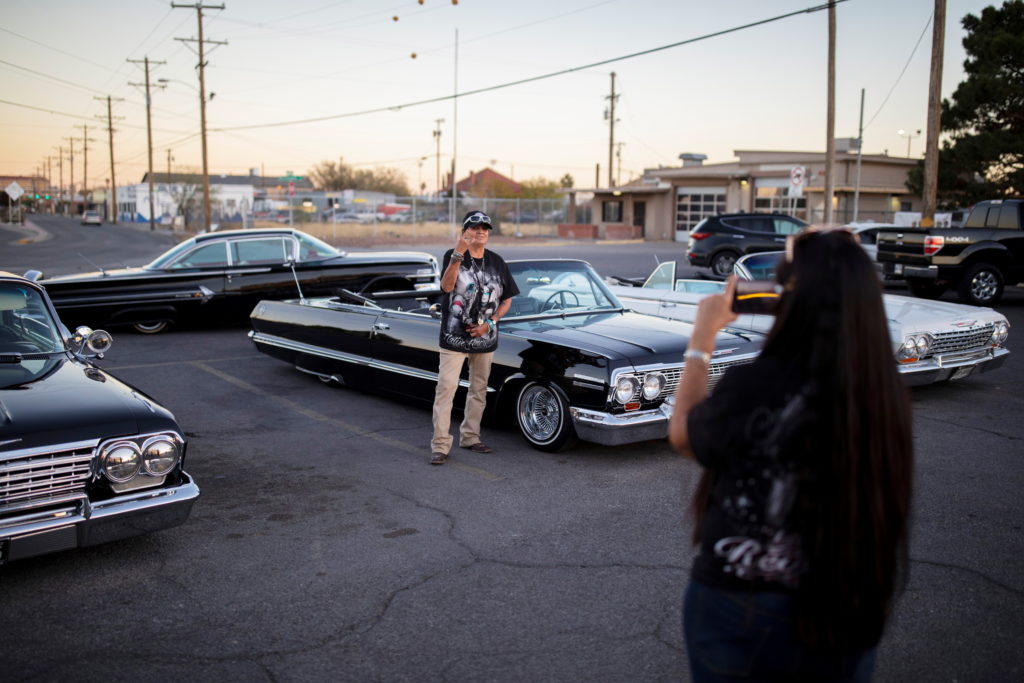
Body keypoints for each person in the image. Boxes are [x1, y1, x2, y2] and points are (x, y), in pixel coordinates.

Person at [668, 229, 914, 682]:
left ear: (788, 300)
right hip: (847, 601)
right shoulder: (884, 394)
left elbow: (684, 434)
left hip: (738, 602)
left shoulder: (757, 383)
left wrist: (702, 338)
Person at [430, 210, 519, 465]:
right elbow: (447, 288)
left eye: (485, 227)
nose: (481, 231)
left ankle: (470, 437)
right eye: (475, 226)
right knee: (446, 388)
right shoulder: (453, 255)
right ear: (464, 231)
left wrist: (489, 324)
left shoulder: (497, 261)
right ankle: (440, 445)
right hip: (454, 338)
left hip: (485, 339)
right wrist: (459, 252)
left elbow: (508, 299)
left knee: (478, 390)